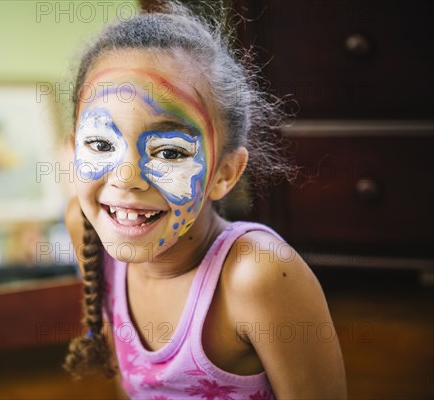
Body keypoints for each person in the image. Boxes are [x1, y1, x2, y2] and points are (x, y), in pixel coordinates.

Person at [62, 2, 347, 399]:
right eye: (99, 143)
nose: (126, 177)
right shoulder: (87, 227)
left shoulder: (259, 275)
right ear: (72, 149)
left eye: (170, 151)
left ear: (225, 173)